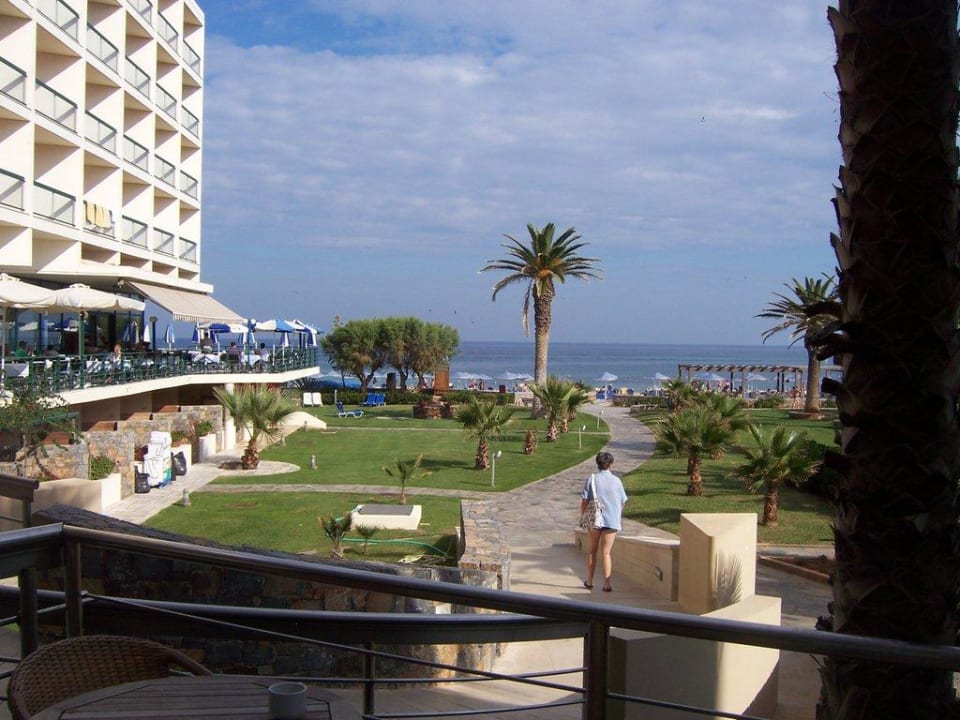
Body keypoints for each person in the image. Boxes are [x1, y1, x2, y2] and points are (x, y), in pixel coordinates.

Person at [581, 451, 627, 592]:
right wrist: (617, 514)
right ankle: (607, 583)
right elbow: (622, 501)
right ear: (610, 465)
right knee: (606, 552)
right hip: (611, 519)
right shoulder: (617, 481)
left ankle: (589, 580)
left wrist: (583, 515)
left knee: (592, 551)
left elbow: (584, 500)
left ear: (598, 464)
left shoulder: (592, 479)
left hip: (595, 520)